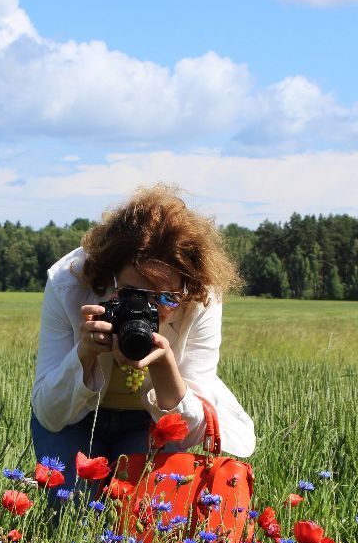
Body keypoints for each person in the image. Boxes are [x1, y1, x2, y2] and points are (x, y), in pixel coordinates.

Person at [30, 184, 254, 498]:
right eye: (135, 295)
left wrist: (166, 368)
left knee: (144, 523)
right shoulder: (69, 284)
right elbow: (49, 414)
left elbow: (192, 432)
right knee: (70, 515)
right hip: (75, 419)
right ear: (109, 277)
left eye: (166, 297)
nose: (151, 309)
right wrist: (84, 354)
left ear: (187, 287)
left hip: (149, 420)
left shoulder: (201, 296)